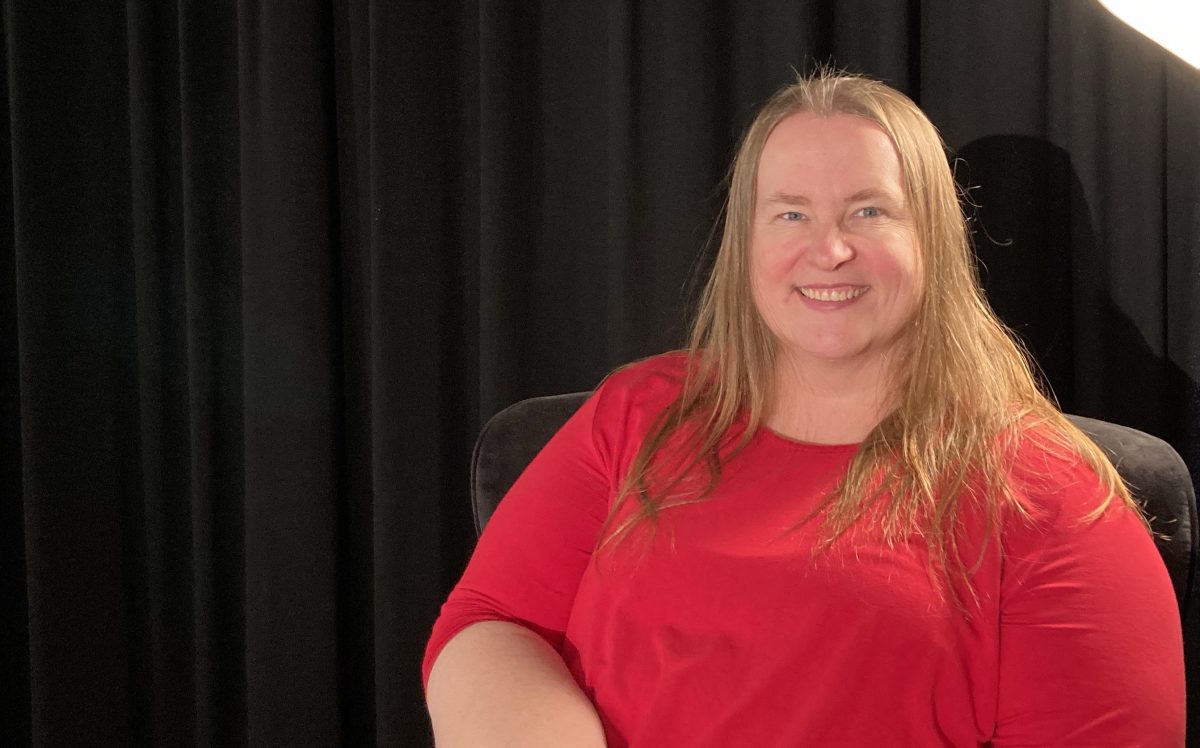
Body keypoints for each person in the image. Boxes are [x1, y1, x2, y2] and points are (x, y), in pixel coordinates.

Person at [422, 71, 1186, 746]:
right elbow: (493, 621)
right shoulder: (638, 412)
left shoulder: (1047, 491)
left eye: (869, 213)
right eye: (790, 214)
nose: (829, 250)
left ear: (936, 241)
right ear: (746, 243)